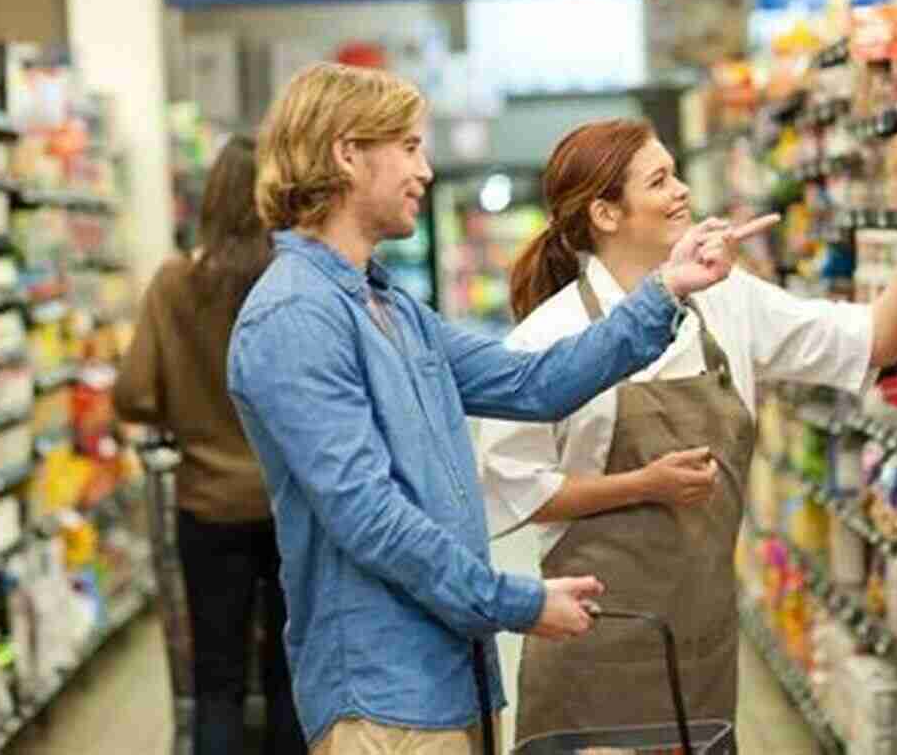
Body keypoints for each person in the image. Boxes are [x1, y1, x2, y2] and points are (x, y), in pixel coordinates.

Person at [224, 63, 773, 755]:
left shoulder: (389, 306)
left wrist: (664, 290)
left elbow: (534, 382)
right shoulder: (294, 317)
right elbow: (368, 517)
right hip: (381, 693)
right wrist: (518, 601)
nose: (426, 169)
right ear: (347, 154)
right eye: (411, 146)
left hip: (450, 671)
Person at [476, 118, 897, 741]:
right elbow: (509, 490)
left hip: (702, 644)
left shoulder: (726, 300)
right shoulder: (549, 338)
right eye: (659, 180)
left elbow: (876, 340)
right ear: (606, 214)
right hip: (590, 639)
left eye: (676, 171)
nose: (684, 190)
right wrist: (641, 485)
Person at [114, 135, 306, 755]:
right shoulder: (294, 282)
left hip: (207, 506)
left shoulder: (175, 284)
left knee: (216, 683)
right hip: (290, 505)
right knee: (288, 677)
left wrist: (188, 412)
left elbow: (134, 393)